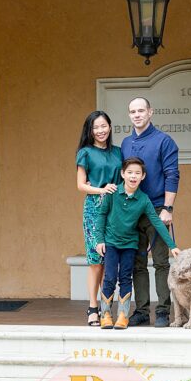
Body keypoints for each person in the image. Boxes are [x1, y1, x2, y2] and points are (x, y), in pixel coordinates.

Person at [94, 158, 179, 330]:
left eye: (137, 173)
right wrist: (99, 240)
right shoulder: (112, 193)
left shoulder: (144, 199)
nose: (133, 176)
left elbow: (156, 222)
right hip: (111, 243)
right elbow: (101, 216)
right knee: (110, 277)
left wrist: (172, 245)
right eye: (130, 172)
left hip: (130, 245)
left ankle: (123, 315)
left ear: (143, 176)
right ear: (123, 174)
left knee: (126, 277)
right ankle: (106, 315)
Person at [119, 97, 180, 327]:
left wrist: (168, 207)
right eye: (133, 111)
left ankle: (163, 311)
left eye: (141, 110)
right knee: (137, 263)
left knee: (162, 262)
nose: (137, 115)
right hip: (131, 211)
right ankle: (142, 310)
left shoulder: (164, 141)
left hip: (156, 208)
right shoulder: (125, 143)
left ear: (150, 112)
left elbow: (172, 175)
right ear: (129, 115)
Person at [75, 110, 123, 327]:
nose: (100, 130)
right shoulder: (85, 152)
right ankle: (93, 307)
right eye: (96, 127)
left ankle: (107, 309)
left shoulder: (118, 152)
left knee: (111, 261)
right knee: (97, 262)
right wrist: (100, 189)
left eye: (104, 126)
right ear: (90, 131)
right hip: (94, 209)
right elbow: (80, 185)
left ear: (110, 127)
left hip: (115, 209)